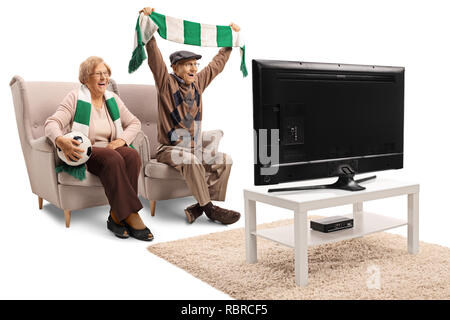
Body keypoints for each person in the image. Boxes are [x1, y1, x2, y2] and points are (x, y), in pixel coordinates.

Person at [140, 7, 241, 225]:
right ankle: (212, 210)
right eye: (188, 64)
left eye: (195, 64)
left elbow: (216, 65)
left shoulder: (198, 83)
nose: (194, 68)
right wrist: (148, 27)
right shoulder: (166, 84)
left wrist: (229, 42)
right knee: (191, 160)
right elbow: (155, 59)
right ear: (175, 68)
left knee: (224, 160)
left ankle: (199, 207)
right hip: (169, 149)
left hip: (193, 147)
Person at [44, 56, 153, 241]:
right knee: (113, 158)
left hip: (111, 147)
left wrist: (121, 141)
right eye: (98, 74)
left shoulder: (113, 99)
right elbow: (51, 123)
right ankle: (131, 214)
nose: (104, 78)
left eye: (106, 73)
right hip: (87, 151)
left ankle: (117, 217)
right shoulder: (75, 97)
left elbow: (134, 122)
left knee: (132, 155)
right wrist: (61, 140)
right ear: (85, 78)